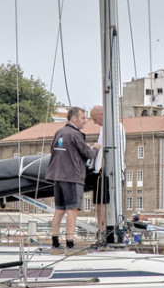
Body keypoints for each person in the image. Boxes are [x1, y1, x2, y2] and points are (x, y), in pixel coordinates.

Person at [45, 107, 99, 251]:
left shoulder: (59, 132)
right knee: (72, 210)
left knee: (59, 209)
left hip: (57, 176)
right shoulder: (76, 134)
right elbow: (88, 154)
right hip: (72, 176)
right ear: (74, 118)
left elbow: (52, 150)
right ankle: (70, 243)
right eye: (83, 118)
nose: (85, 121)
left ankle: (55, 242)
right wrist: (96, 148)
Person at [86, 104, 125, 242]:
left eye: (95, 119)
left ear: (102, 115)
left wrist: (96, 149)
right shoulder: (105, 128)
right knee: (99, 204)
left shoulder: (114, 128)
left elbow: (111, 149)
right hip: (102, 171)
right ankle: (102, 231)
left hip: (108, 171)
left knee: (103, 204)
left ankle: (105, 233)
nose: (94, 122)